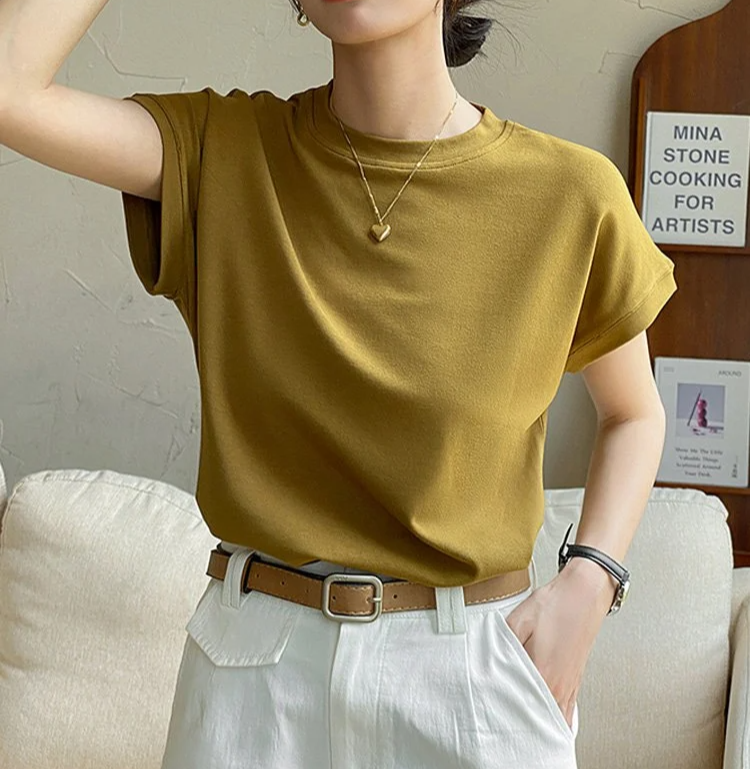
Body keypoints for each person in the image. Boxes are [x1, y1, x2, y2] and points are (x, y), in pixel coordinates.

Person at [0, 0, 677, 766]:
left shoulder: (570, 194)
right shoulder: (221, 153)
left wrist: (590, 582)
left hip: (474, 669)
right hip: (253, 675)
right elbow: (10, 89)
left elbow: (635, 413)